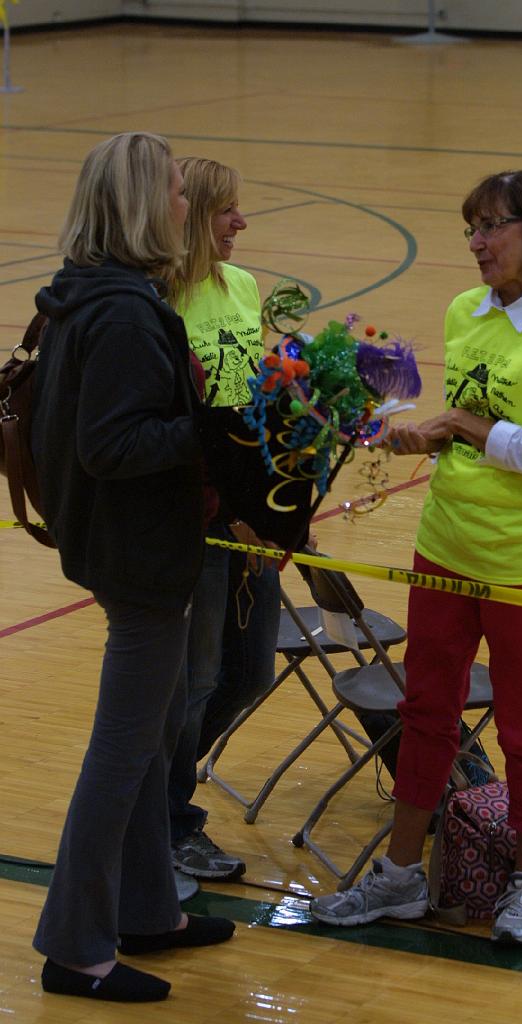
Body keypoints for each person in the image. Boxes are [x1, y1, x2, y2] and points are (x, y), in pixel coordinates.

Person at [310, 169, 522, 946]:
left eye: (491, 227)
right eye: (469, 229)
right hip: (445, 546)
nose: (476, 244)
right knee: (425, 714)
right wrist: (417, 434)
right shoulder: (464, 312)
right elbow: (469, 431)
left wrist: (463, 426)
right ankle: (402, 877)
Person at [30, 132, 235, 1004]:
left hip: (125, 546)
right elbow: (113, 445)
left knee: (148, 746)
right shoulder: (119, 311)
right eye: (180, 193)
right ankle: (76, 946)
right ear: (148, 204)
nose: (188, 206)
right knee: (122, 752)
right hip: (137, 554)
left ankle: (150, 907)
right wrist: (212, 434)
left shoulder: (101, 293)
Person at [164, 157, 281, 880]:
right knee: (198, 679)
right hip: (195, 517)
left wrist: (280, 504)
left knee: (250, 674)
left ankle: (157, 792)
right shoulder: (158, 301)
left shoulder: (242, 286)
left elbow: (250, 407)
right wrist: (228, 507)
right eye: (224, 211)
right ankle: (172, 819)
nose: (240, 222)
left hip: (251, 514)